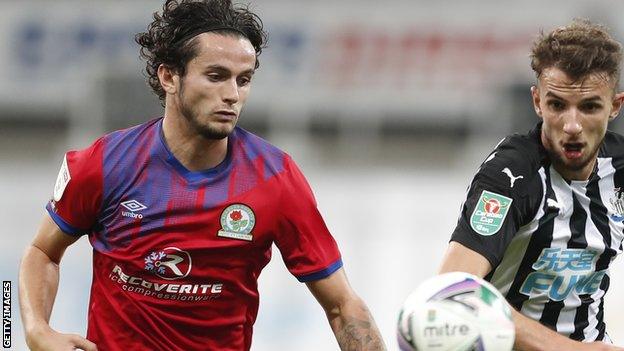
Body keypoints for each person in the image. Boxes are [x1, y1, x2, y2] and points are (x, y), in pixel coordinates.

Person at [18, 1, 386, 350]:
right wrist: (35, 330)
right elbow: (41, 252)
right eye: (216, 76)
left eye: (243, 80)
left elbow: (342, 306)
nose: (232, 95)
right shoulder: (104, 163)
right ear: (169, 76)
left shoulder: (276, 179)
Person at [439, 19, 624, 351]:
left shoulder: (620, 169)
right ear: (537, 102)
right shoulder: (510, 176)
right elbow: (454, 289)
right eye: (557, 105)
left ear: (615, 106)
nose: (571, 125)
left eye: (590, 107)